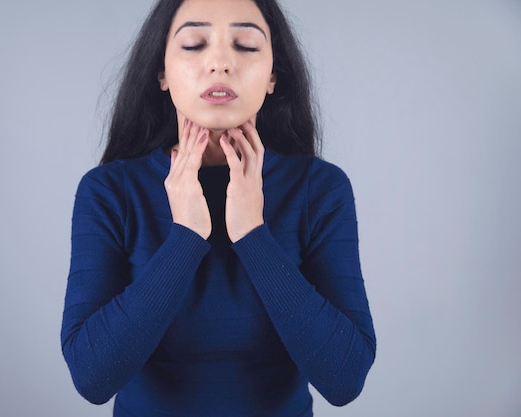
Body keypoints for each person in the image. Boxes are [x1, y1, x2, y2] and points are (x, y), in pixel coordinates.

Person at [60, 0, 376, 416]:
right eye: (194, 44)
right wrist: (185, 239)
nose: (221, 62)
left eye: (245, 45)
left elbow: (345, 378)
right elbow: (92, 376)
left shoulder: (320, 190)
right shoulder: (109, 192)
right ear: (162, 74)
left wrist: (253, 235)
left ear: (272, 77)